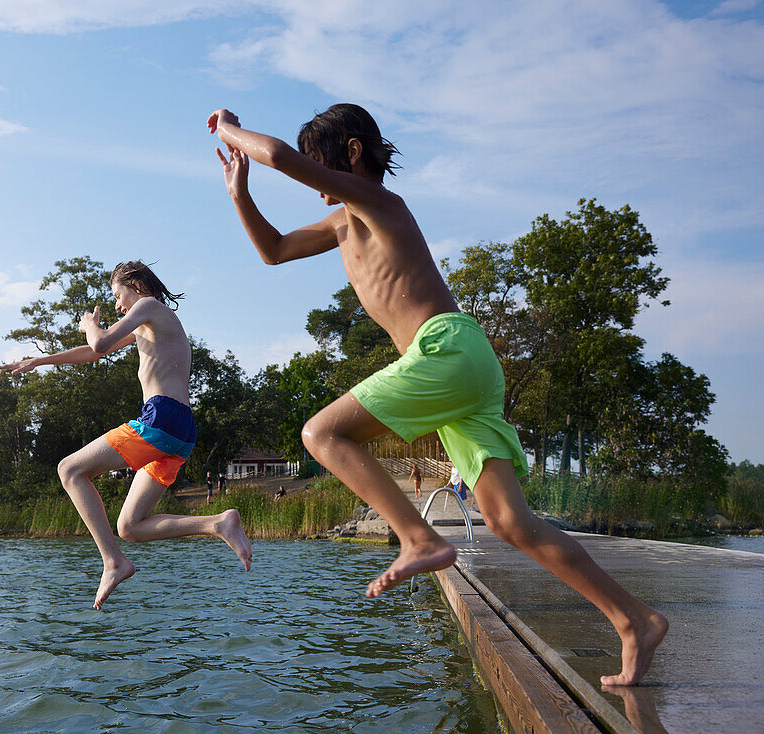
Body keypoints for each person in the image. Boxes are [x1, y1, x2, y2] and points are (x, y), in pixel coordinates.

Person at [208, 104, 667, 685]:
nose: (316, 185)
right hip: (463, 367)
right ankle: (634, 619)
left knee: (321, 432)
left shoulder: (381, 204)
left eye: (322, 164)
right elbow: (272, 250)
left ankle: (418, 537)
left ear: (351, 154)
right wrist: (238, 195)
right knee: (509, 521)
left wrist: (228, 131)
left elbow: (278, 155)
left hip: (444, 349)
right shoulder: (342, 224)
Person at [0, 261, 252, 610]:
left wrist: (90, 325)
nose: (118, 306)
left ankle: (113, 562)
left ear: (135, 284)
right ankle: (218, 523)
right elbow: (91, 352)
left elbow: (98, 342)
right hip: (179, 431)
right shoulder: (151, 323)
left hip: (161, 418)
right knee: (130, 526)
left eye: (119, 295)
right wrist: (40, 361)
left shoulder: (149, 306)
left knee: (69, 470)